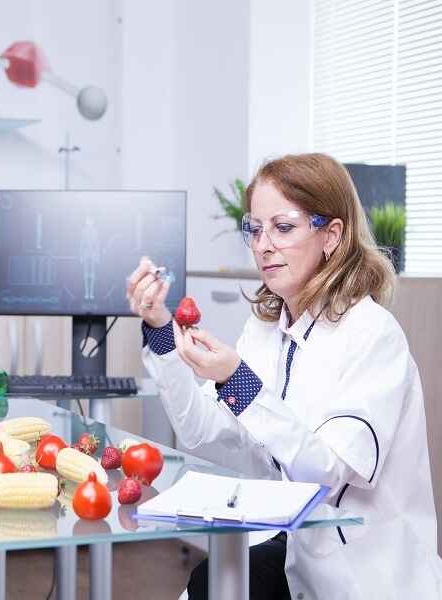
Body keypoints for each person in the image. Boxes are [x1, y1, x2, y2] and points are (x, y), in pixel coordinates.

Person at [127, 153, 442, 600]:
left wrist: (238, 382)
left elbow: (329, 473)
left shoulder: (373, 335)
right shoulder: (264, 330)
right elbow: (199, 428)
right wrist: (161, 330)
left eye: (283, 227)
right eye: (255, 229)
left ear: (331, 235)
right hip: (291, 552)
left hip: (360, 572)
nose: (263, 245)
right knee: (207, 585)